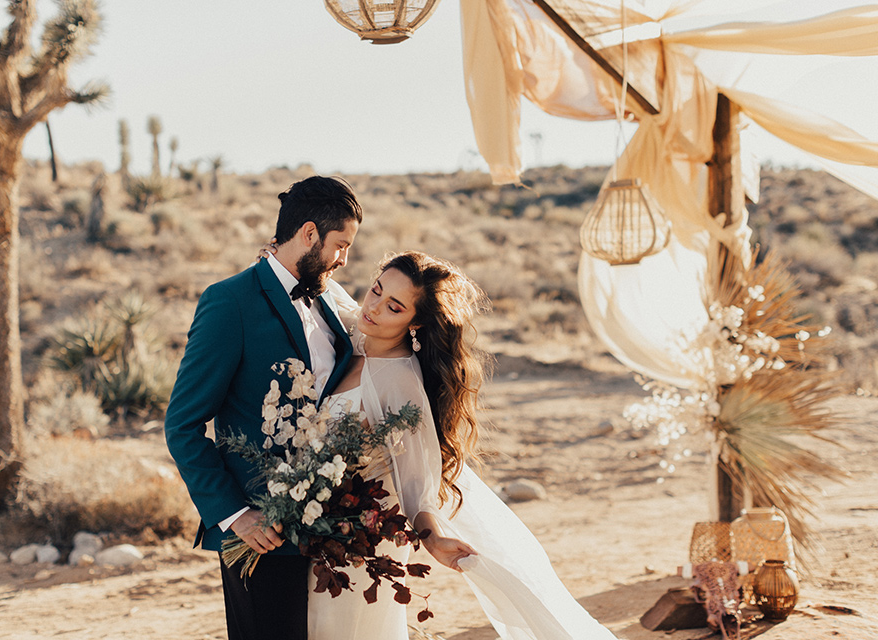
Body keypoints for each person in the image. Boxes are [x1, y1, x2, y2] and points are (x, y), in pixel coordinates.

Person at [311, 251, 620, 640]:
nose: (373, 307)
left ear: (415, 322)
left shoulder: (399, 382)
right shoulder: (361, 331)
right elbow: (328, 295)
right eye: (375, 290)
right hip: (322, 524)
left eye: (394, 306)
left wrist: (432, 536)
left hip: (364, 535)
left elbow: (416, 480)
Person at [164, 175, 362, 640]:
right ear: (309, 234)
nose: (344, 259)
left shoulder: (331, 299)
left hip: (330, 524)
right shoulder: (228, 302)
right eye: (341, 244)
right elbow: (183, 424)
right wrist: (235, 515)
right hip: (262, 533)